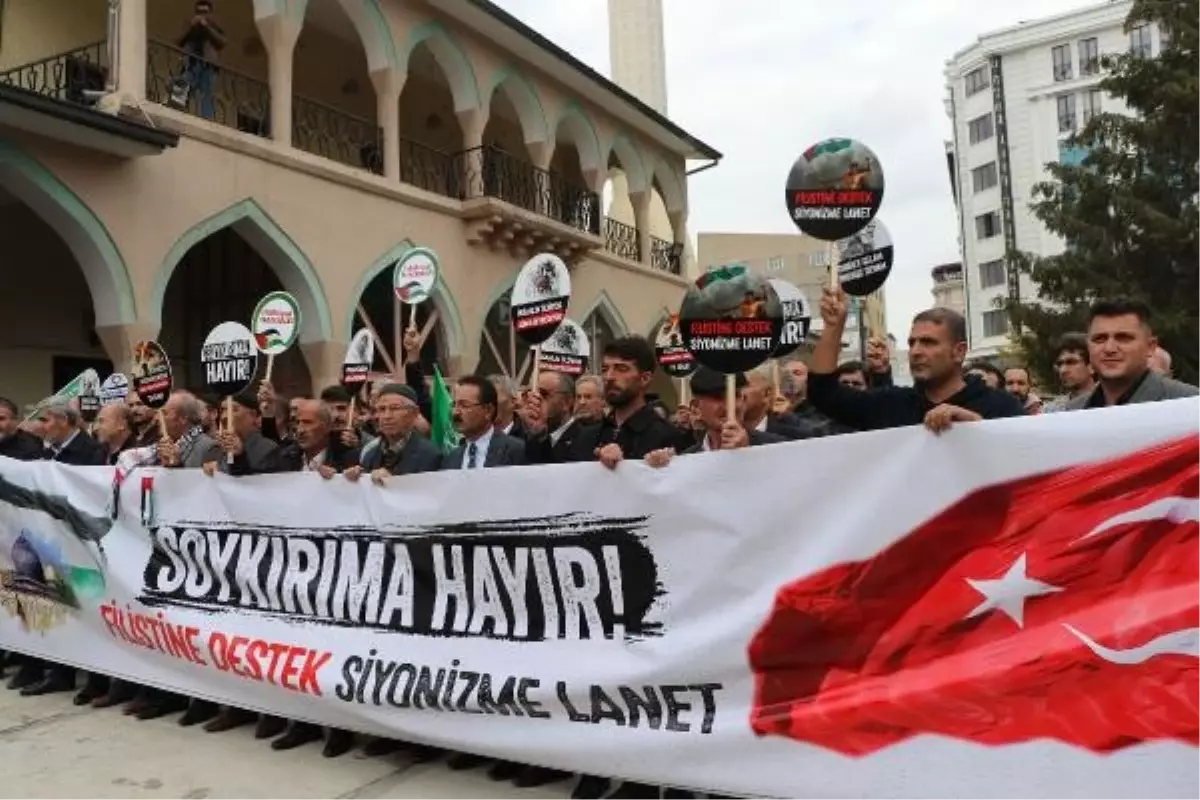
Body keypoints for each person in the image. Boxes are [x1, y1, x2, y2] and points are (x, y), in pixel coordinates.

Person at [808, 288, 1025, 433]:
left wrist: (975, 428)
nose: (916, 351)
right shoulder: (891, 405)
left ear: (959, 352)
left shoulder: (1003, 407)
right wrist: (833, 328)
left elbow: (1027, 458)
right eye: (912, 343)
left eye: (928, 342)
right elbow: (822, 393)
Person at [1064, 298, 1199, 409]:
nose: (1110, 348)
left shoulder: (1190, 404)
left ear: (1150, 347)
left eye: (1123, 338)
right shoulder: (1073, 411)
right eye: (1099, 339)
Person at [566, 336, 680, 468]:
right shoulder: (586, 437)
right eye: (605, 369)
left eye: (621, 369)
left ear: (644, 379)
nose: (609, 377)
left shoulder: (665, 437)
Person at [646, 368, 787, 468]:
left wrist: (748, 454)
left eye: (735, 395)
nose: (729, 406)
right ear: (696, 408)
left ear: (744, 400)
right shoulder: (687, 460)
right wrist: (662, 471)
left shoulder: (777, 448)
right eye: (718, 398)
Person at [348, 384, 441, 481]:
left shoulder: (430, 455)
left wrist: (393, 481)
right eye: (382, 409)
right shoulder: (370, 454)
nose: (387, 416)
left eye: (395, 408)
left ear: (415, 413)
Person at [441, 376, 526, 469]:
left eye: (464, 405)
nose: (456, 412)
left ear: (488, 410)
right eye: (454, 405)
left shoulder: (515, 450)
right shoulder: (451, 459)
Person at [177, 0, 225, 120]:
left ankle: (207, 119)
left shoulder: (214, 25)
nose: (201, 14)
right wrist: (190, 28)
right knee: (182, 83)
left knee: (206, 92)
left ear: (210, 13)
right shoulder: (190, 24)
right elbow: (179, 41)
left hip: (208, 65)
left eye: (205, 12)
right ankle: (176, 109)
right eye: (199, 11)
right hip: (191, 64)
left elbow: (222, 42)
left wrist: (207, 27)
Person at [1043, 333, 1095, 412]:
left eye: (1071, 362)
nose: (1063, 370)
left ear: (1091, 367)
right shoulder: (1051, 410)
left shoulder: (1109, 404)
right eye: (1060, 364)